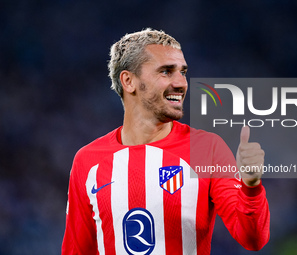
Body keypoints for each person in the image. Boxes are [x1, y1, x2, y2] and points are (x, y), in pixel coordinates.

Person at [62, 28, 270, 255]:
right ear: (129, 81)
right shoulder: (87, 161)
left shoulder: (206, 148)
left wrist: (251, 187)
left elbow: (253, 238)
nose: (181, 83)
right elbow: (76, 250)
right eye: (166, 72)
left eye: (183, 72)